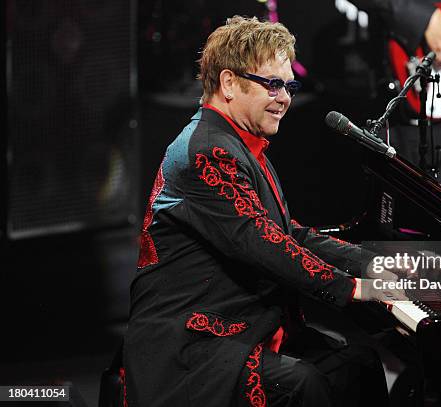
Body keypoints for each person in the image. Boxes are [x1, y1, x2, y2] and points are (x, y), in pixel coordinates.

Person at [124, 16, 406, 407]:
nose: (285, 98)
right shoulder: (208, 150)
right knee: (301, 383)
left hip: (240, 323)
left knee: (356, 363)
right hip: (189, 341)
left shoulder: (240, 142)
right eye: (272, 84)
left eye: (288, 86)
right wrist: (352, 287)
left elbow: (288, 233)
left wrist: (371, 264)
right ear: (228, 83)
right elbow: (261, 242)